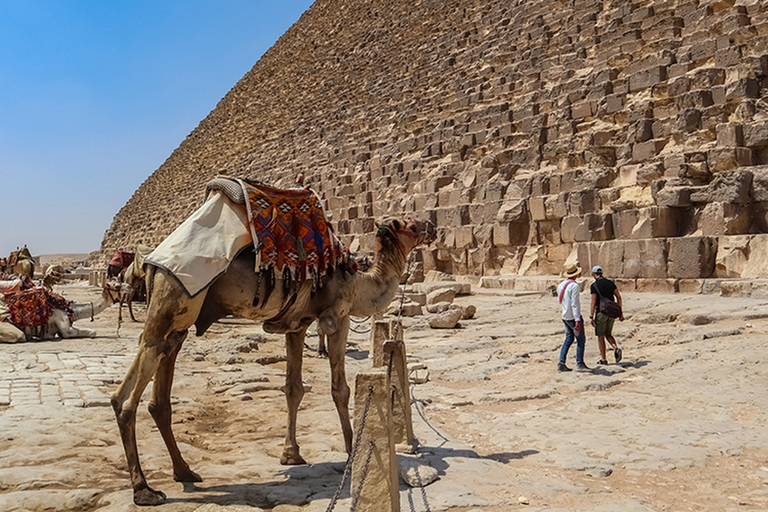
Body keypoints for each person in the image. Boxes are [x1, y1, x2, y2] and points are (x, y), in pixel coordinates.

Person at [557, 263, 590, 372]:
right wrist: (577, 319)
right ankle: (580, 363)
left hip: (565, 315)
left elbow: (560, 300)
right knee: (580, 339)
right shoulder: (574, 286)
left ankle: (561, 362)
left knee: (569, 338)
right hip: (572, 317)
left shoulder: (561, 285)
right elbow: (575, 304)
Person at [589, 265, 624, 365]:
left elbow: (593, 302)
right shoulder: (610, 283)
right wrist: (620, 312)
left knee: (600, 336)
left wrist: (591, 316)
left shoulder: (594, 286)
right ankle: (615, 348)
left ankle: (603, 359)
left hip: (601, 312)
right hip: (611, 312)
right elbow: (618, 297)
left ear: (593, 274)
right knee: (608, 333)